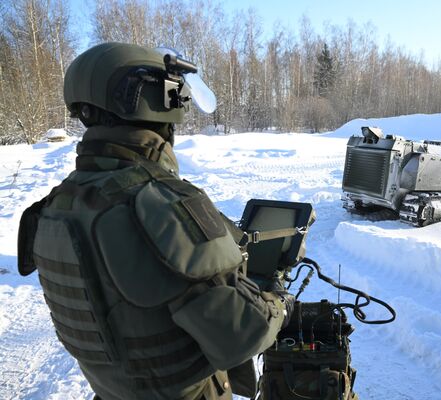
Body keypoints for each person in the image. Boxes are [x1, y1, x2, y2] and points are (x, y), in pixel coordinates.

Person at [17, 42, 294, 400]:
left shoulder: (57, 203)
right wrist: (279, 305)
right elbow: (242, 335)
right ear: (157, 99)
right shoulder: (161, 204)